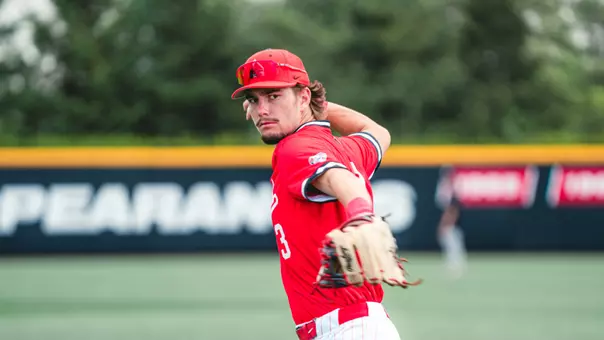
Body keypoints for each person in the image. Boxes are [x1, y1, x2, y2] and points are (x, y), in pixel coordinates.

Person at [232, 48, 415, 340]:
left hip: (346, 331)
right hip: (361, 327)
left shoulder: (294, 149)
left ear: (303, 97)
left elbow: (339, 179)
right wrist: (317, 107)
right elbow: (378, 132)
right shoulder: (345, 147)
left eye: (274, 96)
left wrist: (360, 215)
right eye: (254, 100)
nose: (261, 110)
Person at [437, 194, 468, 280]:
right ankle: (454, 266)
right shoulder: (452, 209)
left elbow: (449, 219)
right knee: (452, 249)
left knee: (454, 249)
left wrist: (443, 227)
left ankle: (456, 266)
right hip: (452, 229)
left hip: (451, 229)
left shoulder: (452, 209)